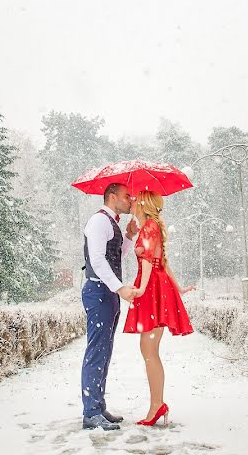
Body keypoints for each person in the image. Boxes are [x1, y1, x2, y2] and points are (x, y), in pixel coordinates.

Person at [123, 189, 195, 426]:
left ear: (143, 204)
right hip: (156, 286)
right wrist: (179, 288)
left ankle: (157, 405)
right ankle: (157, 404)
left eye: (135, 199)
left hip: (153, 288)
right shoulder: (149, 227)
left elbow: (147, 262)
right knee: (149, 350)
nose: (131, 201)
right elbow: (161, 261)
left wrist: (142, 289)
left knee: (149, 350)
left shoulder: (149, 227)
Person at [80, 182, 140, 431]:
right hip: (98, 291)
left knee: (104, 351)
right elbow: (96, 259)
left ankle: (98, 406)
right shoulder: (99, 221)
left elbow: (116, 256)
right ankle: (91, 412)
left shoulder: (112, 223)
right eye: (128, 196)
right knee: (96, 352)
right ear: (112, 196)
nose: (131, 200)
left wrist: (128, 236)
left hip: (108, 293)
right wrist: (120, 288)